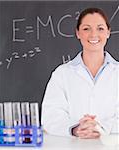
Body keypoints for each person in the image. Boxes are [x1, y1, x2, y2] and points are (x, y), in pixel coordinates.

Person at [41, 7, 119, 139]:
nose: (93, 34)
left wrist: (100, 127)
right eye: (86, 28)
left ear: (108, 32)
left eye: (100, 28)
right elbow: (50, 117)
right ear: (78, 33)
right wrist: (76, 129)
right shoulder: (62, 74)